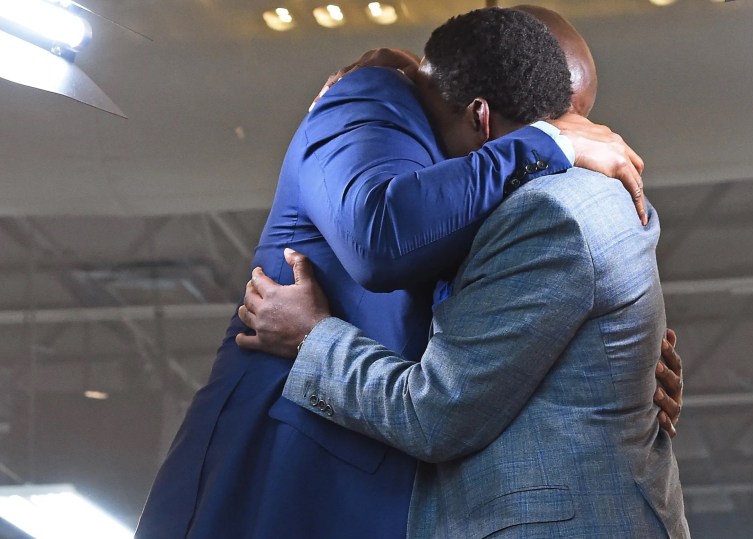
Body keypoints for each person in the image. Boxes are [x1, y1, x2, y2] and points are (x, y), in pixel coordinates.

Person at [136, 7, 676, 539]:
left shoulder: (489, 178)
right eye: (559, 121)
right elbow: (380, 239)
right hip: (284, 460)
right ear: (488, 113)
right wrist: (545, 147)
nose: (582, 142)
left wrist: (612, 357)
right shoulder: (365, 102)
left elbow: (491, 311)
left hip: (382, 468)